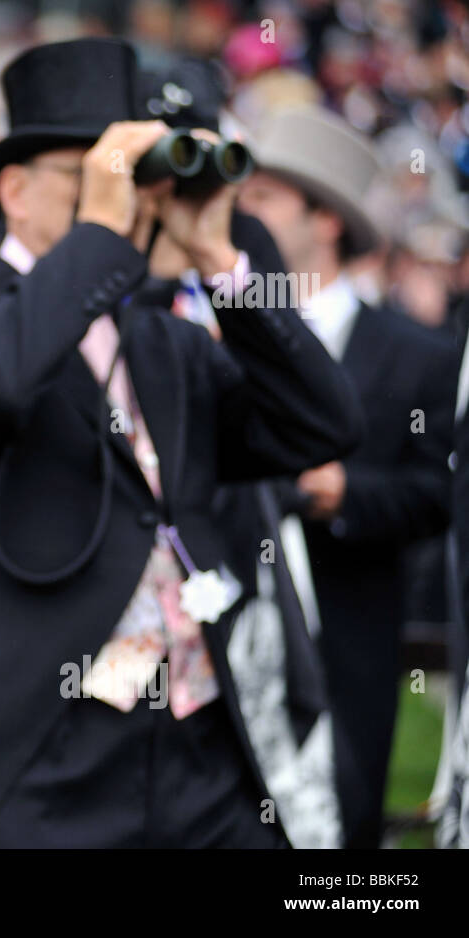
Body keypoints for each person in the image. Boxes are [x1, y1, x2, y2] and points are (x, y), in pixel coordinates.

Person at [0, 38, 363, 848]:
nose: (125, 202)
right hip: (33, 757)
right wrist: (101, 232)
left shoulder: (164, 343)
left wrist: (220, 258)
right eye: (91, 175)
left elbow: (320, 424)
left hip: (201, 752)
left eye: (134, 180)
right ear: (14, 188)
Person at [239, 106, 458, 848]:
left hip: (350, 627)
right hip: (236, 628)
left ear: (324, 219)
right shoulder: (218, 330)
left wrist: (342, 494)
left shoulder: (417, 351)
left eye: (265, 197)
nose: (243, 211)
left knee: (346, 821)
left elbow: (437, 494)